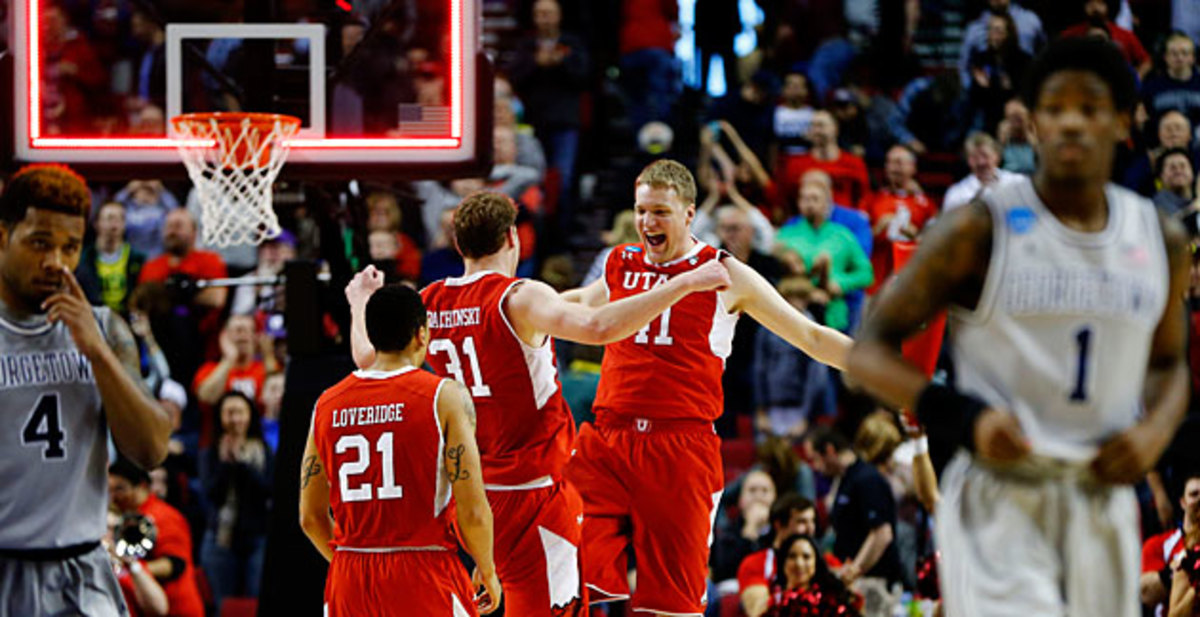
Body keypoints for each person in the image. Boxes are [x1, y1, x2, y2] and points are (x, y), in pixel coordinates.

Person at [847, 37, 1190, 617]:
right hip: (1001, 492)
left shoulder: (1161, 238)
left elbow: (1167, 365)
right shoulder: (978, 228)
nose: (1072, 124)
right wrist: (962, 416)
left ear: (1126, 122)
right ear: (1031, 126)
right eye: (1056, 109)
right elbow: (866, 354)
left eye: (1091, 108)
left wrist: (1154, 432)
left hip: (1099, 492)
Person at [347, 189, 731, 616]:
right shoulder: (520, 296)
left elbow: (367, 359)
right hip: (531, 496)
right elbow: (600, 328)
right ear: (513, 238)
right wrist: (685, 284)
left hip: (469, 495)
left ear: (459, 245)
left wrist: (358, 301)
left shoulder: (430, 301)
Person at [561, 159, 852, 616]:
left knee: (673, 605)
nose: (646, 222)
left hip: (679, 446)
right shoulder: (621, 261)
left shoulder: (724, 273)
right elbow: (581, 303)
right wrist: (517, 307)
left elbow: (811, 337)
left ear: (689, 214)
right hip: (609, 439)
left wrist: (879, 368)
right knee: (569, 579)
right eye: (641, 211)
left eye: (659, 212)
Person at [0, 164, 170, 616]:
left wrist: (97, 353)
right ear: (3, 237)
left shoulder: (104, 329)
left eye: (70, 247)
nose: (56, 261)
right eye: (40, 243)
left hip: (83, 568)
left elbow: (151, 449)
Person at [300, 284, 501, 616]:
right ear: (421, 335)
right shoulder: (444, 396)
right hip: (423, 568)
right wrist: (487, 569)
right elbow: (473, 511)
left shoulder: (326, 403)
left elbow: (310, 517)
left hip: (349, 576)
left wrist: (352, 563)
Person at [199, 391, 273, 608]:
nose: (235, 419)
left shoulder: (263, 450)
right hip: (220, 538)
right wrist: (225, 464)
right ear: (220, 417)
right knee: (224, 606)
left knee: (257, 603)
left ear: (250, 416)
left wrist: (240, 463)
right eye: (229, 413)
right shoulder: (210, 452)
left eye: (240, 412)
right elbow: (211, 493)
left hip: (257, 536)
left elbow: (268, 489)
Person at [803, 427, 902, 586]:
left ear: (830, 450)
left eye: (816, 459)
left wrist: (855, 570)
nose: (816, 467)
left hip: (875, 581)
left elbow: (882, 533)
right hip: (852, 575)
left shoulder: (867, 479)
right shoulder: (842, 479)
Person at [109, 459, 205, 617]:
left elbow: (174, 564)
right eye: (110, 490)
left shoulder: (165, 516)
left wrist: (129, 570)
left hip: (177, 609)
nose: (113, 497)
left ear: (142, 486)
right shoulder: (125, 517)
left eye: (120, 489)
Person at [737, 495, 819, 617]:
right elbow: (758, 611)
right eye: (802, 521)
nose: (810, 529)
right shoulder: (755, 563)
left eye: (812, 521)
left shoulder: (824, 561)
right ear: (779, 524)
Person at [76, 201, 146, 315]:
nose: (114, 225)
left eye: (120, 220)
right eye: (109, 219)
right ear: (96, 223)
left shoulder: (138, 260)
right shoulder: (82, 259)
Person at [766, 534, 860, 616]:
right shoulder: (773, 600)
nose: (799, 564)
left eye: (806, 557)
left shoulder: (830, 602)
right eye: (792, 556)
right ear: (783, 562)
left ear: (816, 563)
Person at [942, 132, 1023, 212]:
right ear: (968, 161)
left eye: (985, 156)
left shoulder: (1017, 182)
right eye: (975, 157)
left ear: (996, 157)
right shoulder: (956, 193)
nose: (981, 162)